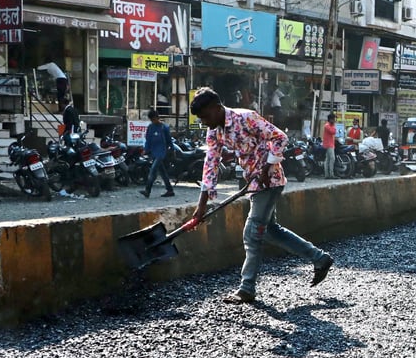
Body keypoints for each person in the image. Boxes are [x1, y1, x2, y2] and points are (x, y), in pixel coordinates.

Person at [186, 87, 333, 304]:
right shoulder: (214, 132)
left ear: (217, 108)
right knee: (270, 231)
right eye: (201, 119)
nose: (204, 122)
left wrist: (266, 168)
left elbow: (280, 137)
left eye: (206, 116)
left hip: (269, 180)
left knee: (252, 232)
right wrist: (201, 205)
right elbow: (210, 165)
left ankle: (246, 289)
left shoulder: (245, 117)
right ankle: (320, 258)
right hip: (252, 183)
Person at [140, 110, 175, 198]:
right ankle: (170, 190)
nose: (153, 121)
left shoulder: (164, 127)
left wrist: (172, 150)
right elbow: (148, 140)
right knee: (162, 172)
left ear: (157, 117)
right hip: (154, 152)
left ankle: (147, 190)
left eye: (154, 119)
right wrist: (146, 149)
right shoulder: (150, 127)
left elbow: (169, 141)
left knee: (153, 170)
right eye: (151, 120)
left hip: (161, 152)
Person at [321, 113, 337, 178]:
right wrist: (333, 125)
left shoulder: (328, 125)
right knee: (332, 159)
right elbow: (333, 131)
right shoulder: (327, 126)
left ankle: (327, 175)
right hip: (329, 144)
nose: (334, 120)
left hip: (330, 144)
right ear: (330, 119)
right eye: (333, 119)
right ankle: (331, 174)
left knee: (328, 159)